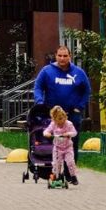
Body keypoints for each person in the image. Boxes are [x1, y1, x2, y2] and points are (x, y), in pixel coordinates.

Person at [33, 46, 91, 174]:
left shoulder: (79, 72)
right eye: (60, 56)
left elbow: (86, 91)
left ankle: (70, 173)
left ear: (70, 56)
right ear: (56, 56)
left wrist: (80, 107)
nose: (62, 58)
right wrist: (40, 102)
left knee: (72, 143)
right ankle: (53, 170)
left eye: (65, 56)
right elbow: (38, 87)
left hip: (72, 114)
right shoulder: (47, 71)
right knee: (51, 141)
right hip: (53, 114)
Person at [43, 105, 78, 186]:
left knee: (70, 162)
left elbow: (74, 133)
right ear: (54, 119)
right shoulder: (53, 124)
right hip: (57, 148)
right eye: (58, 119)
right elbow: (46, 131)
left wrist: (68, 133)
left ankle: (73, 176)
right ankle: (57, 176)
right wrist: (47, 134)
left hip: (68, 148)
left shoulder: (69, 124)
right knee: (56, 164)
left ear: (65, 117)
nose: (60, 121)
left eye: (62, 118)